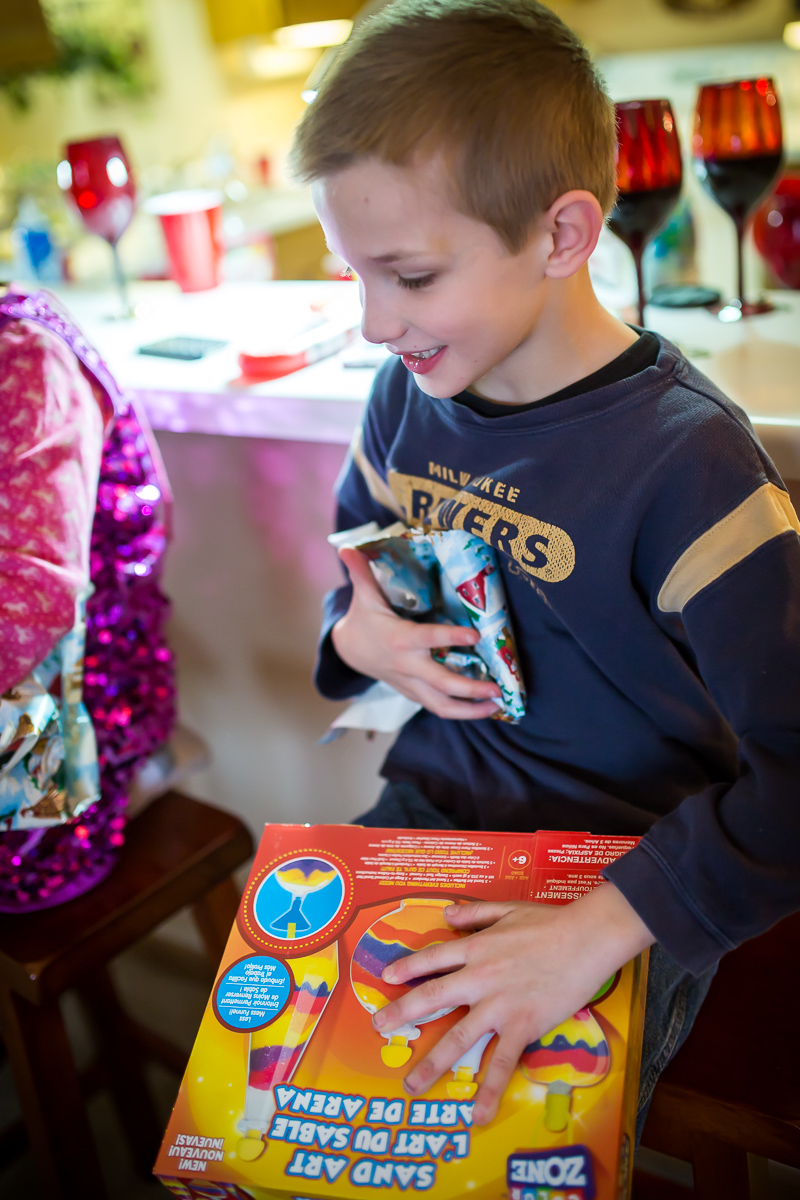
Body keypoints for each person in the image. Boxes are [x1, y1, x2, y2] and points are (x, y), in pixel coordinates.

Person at [293, 0, 800, 1140]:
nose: (374, 323)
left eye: (410, 275)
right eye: (352, 275)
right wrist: (353, 637)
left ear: (562, 235)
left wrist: (600, 925)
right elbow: (358, 585)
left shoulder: (691, 467)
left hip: (626, 868)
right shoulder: (404, 396)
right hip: (433, 808)